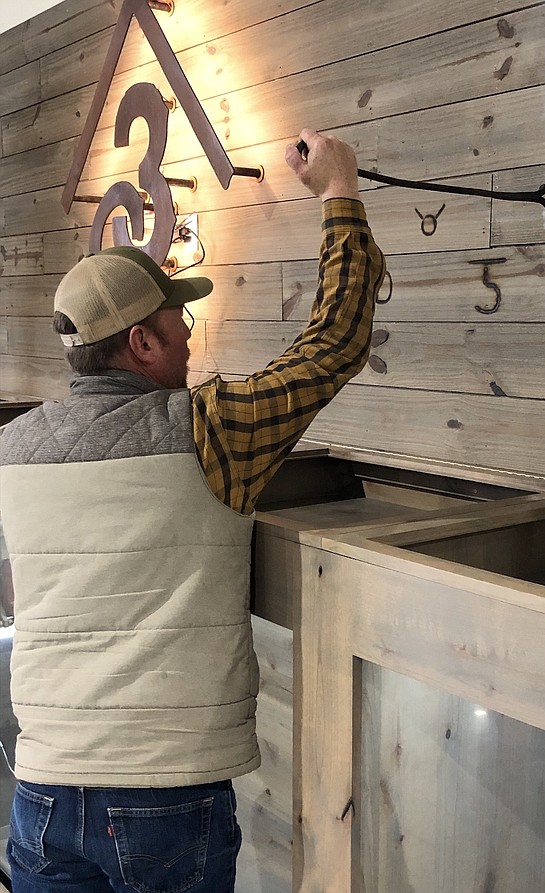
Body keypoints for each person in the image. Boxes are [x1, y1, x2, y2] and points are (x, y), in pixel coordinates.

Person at [0, 128, 385, 893]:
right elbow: (333, 341)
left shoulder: (13, 449)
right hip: (164, 794)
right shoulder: (209, 427)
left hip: (40, 789)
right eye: (178, 321)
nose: (187, 335)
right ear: (140, 341)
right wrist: (339, 193)